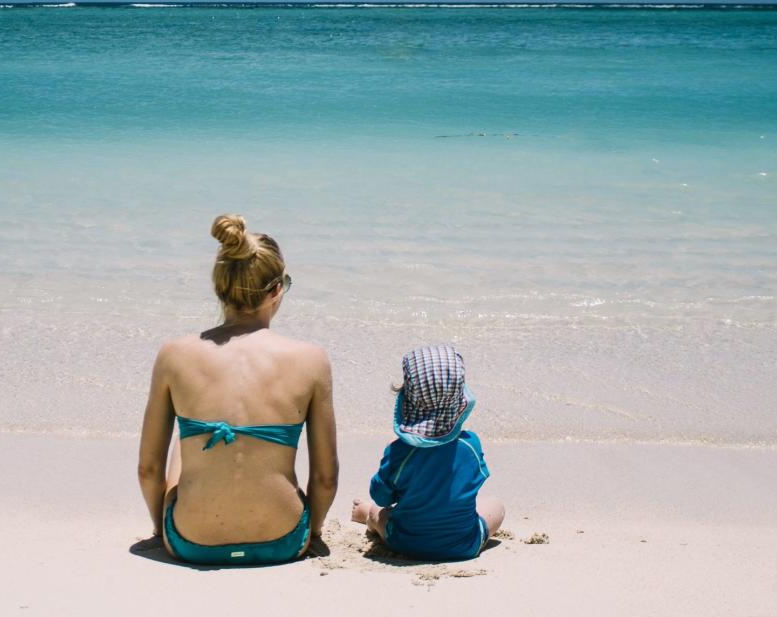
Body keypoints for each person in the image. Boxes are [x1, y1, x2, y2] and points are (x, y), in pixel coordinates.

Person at [137, 214, 338, 565]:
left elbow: (148, 470)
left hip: (191, 542)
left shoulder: (174, 354)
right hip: (285, 541)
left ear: (219, 288)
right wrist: (314, 532)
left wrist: (161, 530)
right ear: (276, 290)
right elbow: (325, 477)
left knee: (183, 445)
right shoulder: (311, 360)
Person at [350, 345, 504, 561]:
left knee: (379, 512)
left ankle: (367, 515)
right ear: (458, 400)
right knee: (497, 505)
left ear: (406, 396)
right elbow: (474, 483)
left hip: (404, 543)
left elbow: (382, 496)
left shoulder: (398, 452)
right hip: (464, 545)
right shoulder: (471, 446)